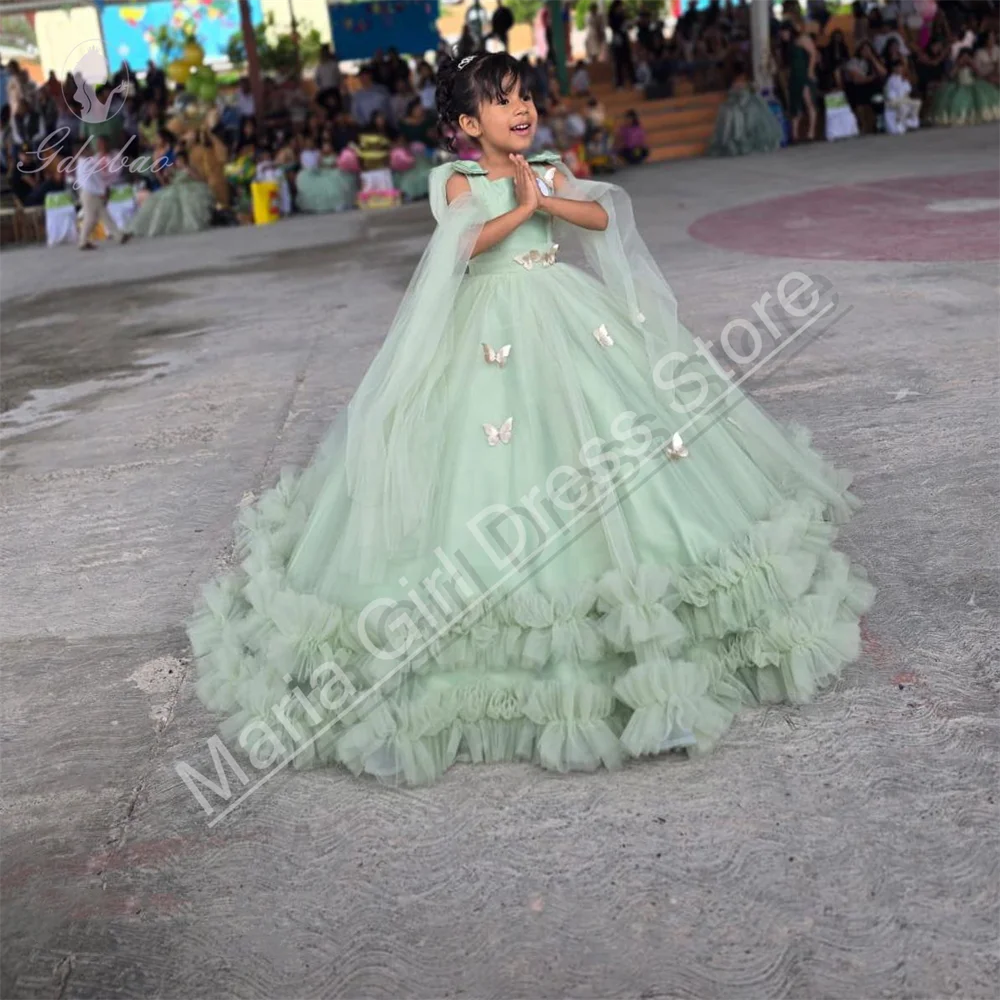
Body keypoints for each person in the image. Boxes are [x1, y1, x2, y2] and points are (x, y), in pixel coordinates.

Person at [186, 49, 874, 787]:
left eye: (524, 96)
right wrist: (516, 206)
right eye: (501, 101)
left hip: (564, 310)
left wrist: (547, 199)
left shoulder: (546, 163)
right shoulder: (453, 178)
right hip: (484, 319)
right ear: (463, 124)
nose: (521, 110)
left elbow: (598, 213)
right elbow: (464, 242)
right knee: (483, 464)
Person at [708, 59, 783, 155]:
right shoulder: (740, 85)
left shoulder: (742, 84)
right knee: (742, 116)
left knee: (748, 115)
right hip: (741, 108)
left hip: (745, 107)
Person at [75, 136, 131, 250]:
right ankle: (83, 241)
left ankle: (119, 236)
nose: (92, 150)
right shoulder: (88, 163)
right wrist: (102, 191)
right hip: (91, 193)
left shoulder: (82, 163)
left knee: (104, 215)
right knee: (91, 218)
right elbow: (94, 180)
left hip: (89, 192)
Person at [931, 46, 1000, 125]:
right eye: (963, 56)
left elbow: (979, 75)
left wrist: (971, 64)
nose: (965, 59)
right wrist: (959, 64)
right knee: (957, 101)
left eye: (967, 56)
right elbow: (951, 75)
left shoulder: (972, 65)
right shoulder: (957, 65)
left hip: (972, 85)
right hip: (959, 86)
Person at [883, 59, 921, 133]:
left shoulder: (904, 79)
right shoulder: (891, 79)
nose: (899, 69)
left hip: (902, 99)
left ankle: (913, 121)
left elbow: (907, 92)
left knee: (917, 103)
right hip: (892, 101)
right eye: (896, 67)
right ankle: (899, 123)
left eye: (900, 67)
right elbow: (890, 95)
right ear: (893, 69)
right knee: (903, 106)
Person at [608, 0, 635, 89]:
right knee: (618, 62)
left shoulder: (623, 15)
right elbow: (614, 27)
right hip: (617, 40)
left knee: (628, 61)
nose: (621, 8)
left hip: (624, 39)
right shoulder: (612, 16)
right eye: (620, 7)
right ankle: (620, 84)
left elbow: (629, 26)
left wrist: (629, 23)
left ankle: (634, 81)